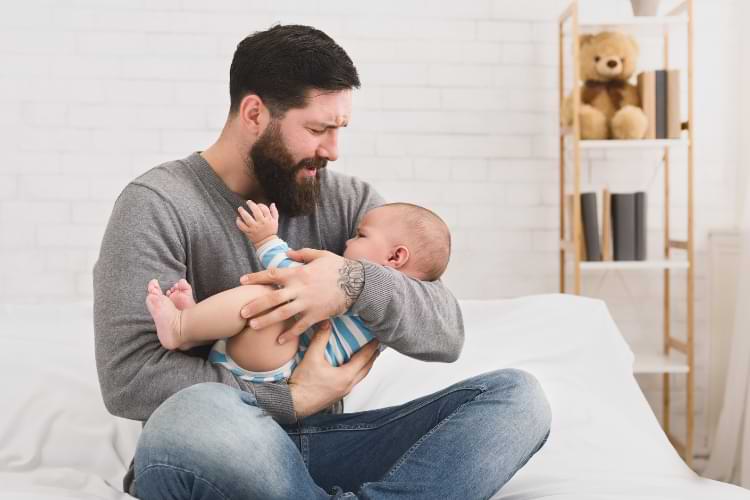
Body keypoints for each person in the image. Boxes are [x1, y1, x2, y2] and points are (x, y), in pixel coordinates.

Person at [93, 24, 551, 499]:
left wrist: (352, 282)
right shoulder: (157, 204)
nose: (332, 150)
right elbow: (129, 379)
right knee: (197, 413)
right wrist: (291, 400)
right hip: (215, 445)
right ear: (254, 113)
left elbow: (445, 331)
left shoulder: (352, 204)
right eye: (317, 129)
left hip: (325, 447)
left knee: (517, 399)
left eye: (339, 129)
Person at [146, 200, 451, 382]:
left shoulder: (369, 302)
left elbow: (292, 275)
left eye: (361, 235)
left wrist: (265, 239)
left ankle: (181, 328)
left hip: (278, 372)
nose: (347, 241)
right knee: (269, 305)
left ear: (395, 257)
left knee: (267, 297)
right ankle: (198, 326)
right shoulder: (388, 310)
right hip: (267, 361)